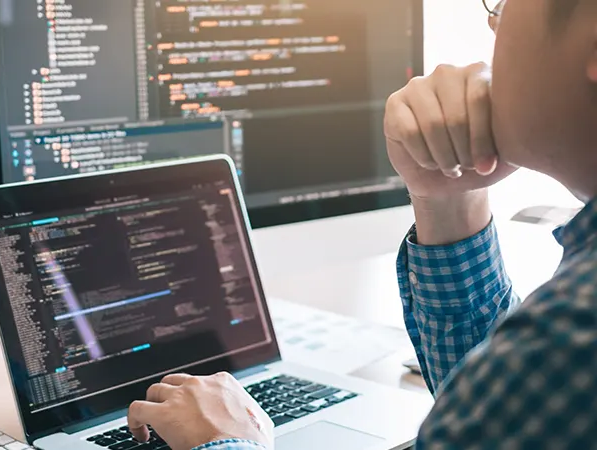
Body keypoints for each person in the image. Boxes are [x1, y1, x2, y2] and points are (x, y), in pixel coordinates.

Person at [125, 0, 597, 448]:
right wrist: (451, 198)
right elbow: (498, 419)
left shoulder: (572, 330)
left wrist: (226, 443)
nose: (494, 25)